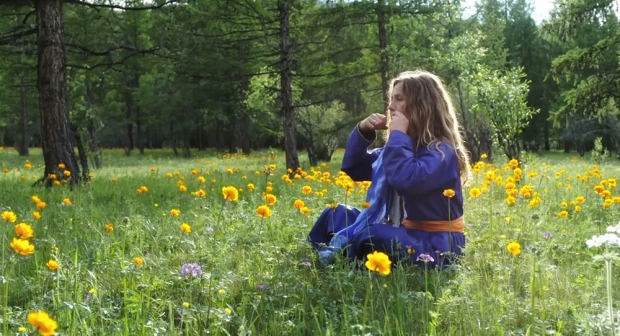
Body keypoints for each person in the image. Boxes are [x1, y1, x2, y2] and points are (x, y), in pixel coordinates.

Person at [307, 70, 470, 269]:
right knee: (335, 213)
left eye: (399, 99)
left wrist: (398, 135)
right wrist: (364, 131)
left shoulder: (441, 153)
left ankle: (341, 258)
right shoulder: (398, 149)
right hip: (403, 232)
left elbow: (406, 180)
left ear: (422, 106)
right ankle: (318, 260)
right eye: (391, 99)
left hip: (435, 246)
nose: (390, 107)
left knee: (371, 233)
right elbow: (355, 169)